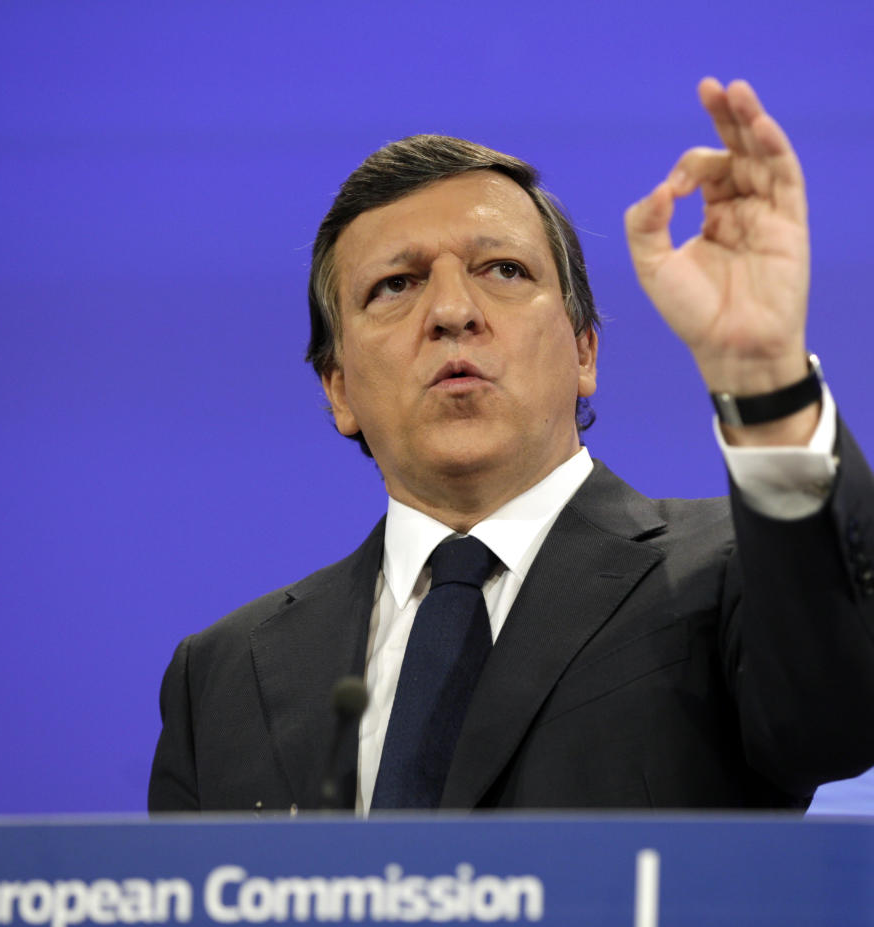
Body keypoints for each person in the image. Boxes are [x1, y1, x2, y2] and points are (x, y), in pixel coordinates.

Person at [149, 79, 874, 814]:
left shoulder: (727, 574)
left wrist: (764, 377)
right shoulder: (220, 677)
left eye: (504, 270)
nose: (453, 312)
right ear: (339, 389)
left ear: (584, 351)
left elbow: (836, 721)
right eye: (395, 285)